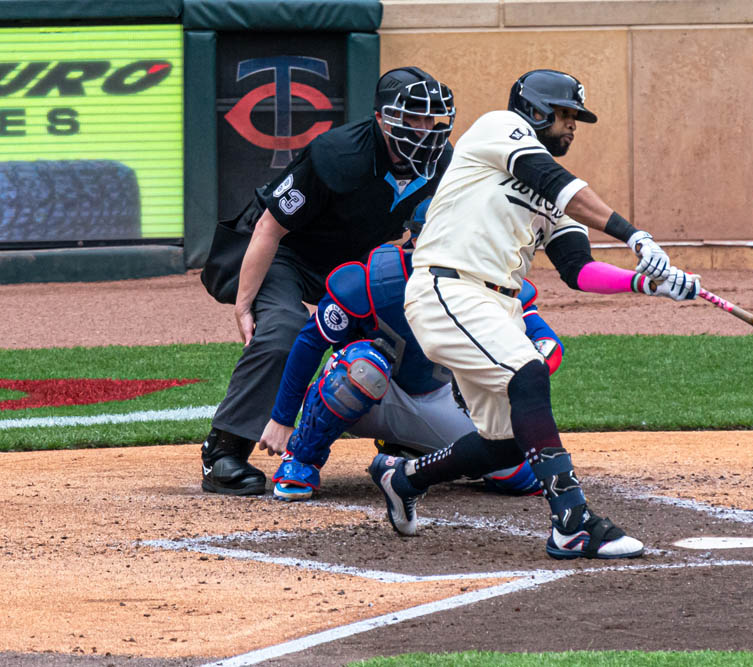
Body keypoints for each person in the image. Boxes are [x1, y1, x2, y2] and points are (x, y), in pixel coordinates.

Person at [367, 69, 701, 560]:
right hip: (447, 288)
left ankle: (404, 478)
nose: (572, 126)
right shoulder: (498, 128)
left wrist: (648, 283)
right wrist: (634, 235)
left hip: (498, 306)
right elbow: (552, 178)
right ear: (539, 110)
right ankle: (572, 520)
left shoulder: (554, 198)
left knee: (503, 444)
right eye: (566, 115)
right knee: (528, 372)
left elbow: (578, 270)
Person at [199, 67, 456, 496]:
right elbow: (269, 228)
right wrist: (244, 305)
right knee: (283, 330)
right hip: (286, 252)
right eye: (412, 119)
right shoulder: (337, 153)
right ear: (381, 118)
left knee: (415, 316)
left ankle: (406, 436)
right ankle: (224, 449)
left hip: (351, 262)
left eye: (431, 120)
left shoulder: (444, 162)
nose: (425, 130)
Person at [256, 234, 561, 500]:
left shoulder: (488, 281)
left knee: (520, 476)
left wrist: (526, 367)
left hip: (440, 397)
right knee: (364, 367)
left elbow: (548, 343)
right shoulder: (373, 281)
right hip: (369, 396)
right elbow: (311, 342)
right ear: (416, 241)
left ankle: (412, 453)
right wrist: (282, 418)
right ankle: (302, 458)